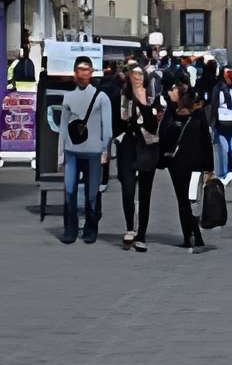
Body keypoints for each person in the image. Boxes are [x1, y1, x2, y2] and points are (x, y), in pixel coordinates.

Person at [56, 55, 112, 246]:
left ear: (92, 73)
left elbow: (108, 127)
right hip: (72, 152)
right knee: (69, 191)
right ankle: (70, 229)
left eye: (86, 69)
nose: (83, 73)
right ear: (74, 72)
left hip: (94, 153)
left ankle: (91, 228)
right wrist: (61, 155)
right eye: (79, 69)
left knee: (92, 192)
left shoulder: (101, 97)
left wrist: (105, 150)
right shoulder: (68, 97)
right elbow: (62, 128)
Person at [159, 77, 214, 250]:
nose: (170, 92)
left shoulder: (196, 113)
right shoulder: (171, 112)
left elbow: (206, 140)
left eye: (173, 90)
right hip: (178, 164)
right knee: (184, 200)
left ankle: (193, 234)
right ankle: (189, 235)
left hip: (192, 164)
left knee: (190, 200)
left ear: (181, 94)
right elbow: (164, 137)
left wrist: (209, 168)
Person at [117, 63, 163, 250]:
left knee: (145, 193)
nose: (137, 78)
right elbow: (123, 119)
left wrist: (145, 107)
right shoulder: (125, 96)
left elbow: (155, 123)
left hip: (148, 146)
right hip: (128, 145)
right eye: (133, 75)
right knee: (128, 189)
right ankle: (130, 227)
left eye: (140, 74)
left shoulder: (152, 96)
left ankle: (141, 233)